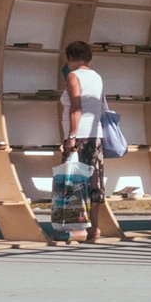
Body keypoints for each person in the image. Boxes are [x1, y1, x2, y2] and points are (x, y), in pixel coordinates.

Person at [55, 40, 107, 243]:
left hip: (80, 135)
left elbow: (76, 108)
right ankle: (94, 228)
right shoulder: (97, 77)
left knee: (74, 182)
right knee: (95, 182)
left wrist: (72, 136)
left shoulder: (73, 75)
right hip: (97, 134)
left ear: (69, 58)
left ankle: (78, 229)